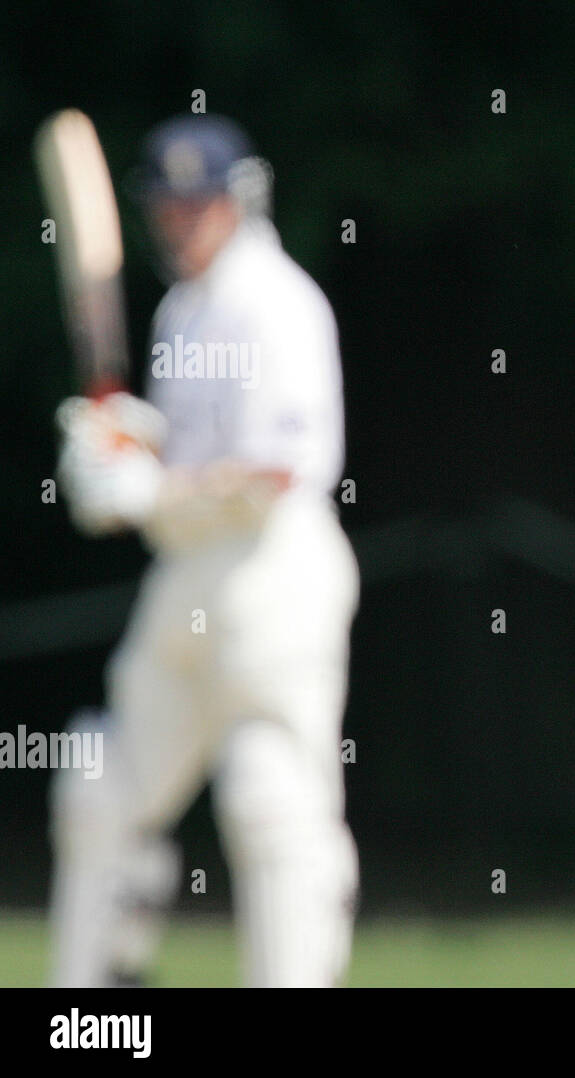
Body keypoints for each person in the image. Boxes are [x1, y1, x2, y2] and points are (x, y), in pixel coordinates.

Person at [49, 114, 359, 987]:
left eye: (196, 203)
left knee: (270, 800)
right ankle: (88, 1010)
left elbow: (278, 470)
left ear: (237, 200)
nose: (178, 221)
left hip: (274, 578)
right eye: (166, 206)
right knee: (99, 789)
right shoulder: (184, 309)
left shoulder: (277, 301)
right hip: (186, 577)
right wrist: (123, 450)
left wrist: (152, 489)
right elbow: (192, 460)